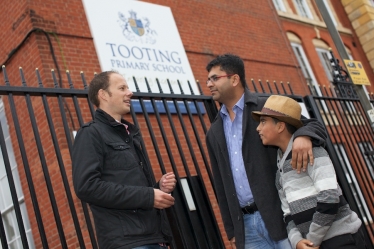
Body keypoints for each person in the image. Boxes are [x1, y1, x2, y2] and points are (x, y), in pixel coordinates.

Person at [205, 54, 327, 249]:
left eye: (214, 78)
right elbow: (220, 183)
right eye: (207, 79)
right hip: (246, 228)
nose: (208, 84)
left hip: (283, 218)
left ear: (234, 79)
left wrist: (303, 136)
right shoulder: (214, 131)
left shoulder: (267, 105)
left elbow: (314, 125)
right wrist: (231, 230)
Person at [72, 71, 176, 249]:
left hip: (153, 238)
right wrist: (149, 196)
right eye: (122, 88)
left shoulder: (128, 134)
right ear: (103, 95)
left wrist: (157, 188)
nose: (130, 93)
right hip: (127, 242)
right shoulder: (90, 133)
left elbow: (127, 184)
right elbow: (87, 187)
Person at [252, 95, 366, 249]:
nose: (258, 128)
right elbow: (287, 214)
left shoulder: (313, 152)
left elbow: (330, 198)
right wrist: (297, 241)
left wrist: (312, 240)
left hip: (342, 240)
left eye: (263, 121)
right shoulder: (280, 171)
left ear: (280, 126)